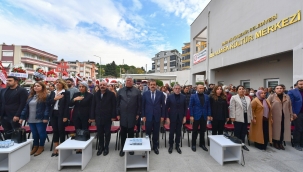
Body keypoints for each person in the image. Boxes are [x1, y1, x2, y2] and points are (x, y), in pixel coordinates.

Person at [19, 81, 50, 156]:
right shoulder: (31, 96)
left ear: (42, 87)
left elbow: (47, 108)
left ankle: (41, 146)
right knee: (34, 134)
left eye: (38, 86)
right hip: (30, 119)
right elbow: (25, 108)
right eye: (35, 86)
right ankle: (35, 146)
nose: (36, 87)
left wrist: (46, 117)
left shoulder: (46, 96)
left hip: (40, 118)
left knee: (41, 133)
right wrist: (22, 117)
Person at [116, 76, 141, 157]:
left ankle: (130, 148)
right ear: (125, 82)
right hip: (123, 115)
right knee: (123, 132)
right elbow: (117, 104)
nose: (128, 82)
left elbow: (139, 104)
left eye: (130, 80)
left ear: (132, 82)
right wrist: (118, 114)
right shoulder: (120, 91)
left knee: (131, 132)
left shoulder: (137, 91)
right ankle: (122, 148)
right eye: (127, 80)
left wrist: (137, 114)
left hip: (132, 114)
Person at [90, 81, 116, 156]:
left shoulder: (111, 94)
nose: (102, 86)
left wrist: (113, 116)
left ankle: (106, 147)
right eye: (100, 85)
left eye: (104, 85)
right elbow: (93, 106)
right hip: (98, 116)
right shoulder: (95, 94)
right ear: (98, 86)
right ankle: (101, 147)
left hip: (107, 117)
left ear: (106, 86)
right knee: (100, 133)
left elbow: (114, 106)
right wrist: (92, 117)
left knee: (107, 133)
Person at [141, 79, 165, 154]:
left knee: (156, 132)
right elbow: (143, 106)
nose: (152, 86)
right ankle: (148, 147)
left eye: (154, 84)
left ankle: (155, 147)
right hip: (148, 116)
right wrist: (143, 115)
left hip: (157, 116)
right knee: (148, 133)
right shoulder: (145, 94)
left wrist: (162, 116)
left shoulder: (161, 94)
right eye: (151, 85)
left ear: (156, 86)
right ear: (149, 85)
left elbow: (163, 106)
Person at [69, 82, 93, 153]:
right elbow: (70, 104)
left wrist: (91, 117)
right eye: (80, 87)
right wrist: (75, 99)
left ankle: (85, 146)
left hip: (86, 116)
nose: (81, 88)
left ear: (86, 87)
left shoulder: (90, 95)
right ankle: (79, 146)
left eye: (83, 87)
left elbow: (92, 107)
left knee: (85, 130)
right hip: (76, 115)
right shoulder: (76, 94)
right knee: (78, 130)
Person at [267, 84, 292, 150]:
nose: (279, 89)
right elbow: (267, 106)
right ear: (275, 90)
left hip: (285, 115)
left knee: (283, 129)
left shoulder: (287, 96)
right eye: (277, 88)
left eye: (280, 88)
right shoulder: (271, 96)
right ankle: (275, 142)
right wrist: (269, 116)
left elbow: (290, 107)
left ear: (283, 89)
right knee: (276, 129)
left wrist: (291, 115)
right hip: (275, 116)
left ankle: (280, 142)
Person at [49, 79, 70, 157]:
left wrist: (65, 116)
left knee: (61, 130)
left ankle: (62, 147)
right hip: (53, 113)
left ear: (63, 84)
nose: (57, 84)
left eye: (59, 83)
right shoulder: (52, 92)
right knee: (55, 130)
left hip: (61, 114)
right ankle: (56, 148)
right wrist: (55, 99)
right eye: (56, 82)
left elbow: (67, 105)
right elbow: (48, 102)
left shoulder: (66, 92)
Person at [229, 85, 252, 151]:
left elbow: (250, 108)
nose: (242, 90)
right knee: (237, 130)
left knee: (244, 131)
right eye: (240, 89)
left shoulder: (248, 98)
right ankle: (237, 144)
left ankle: (243, 143)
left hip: (246, 115)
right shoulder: (234, 97)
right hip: (238, 116)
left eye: (243, 89)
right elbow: (232, 108)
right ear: (237, 91)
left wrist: (251, 116)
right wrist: (232, 116)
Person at [189, 84, 211, 152]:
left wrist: (209, 115)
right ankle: (193, 144)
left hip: (204, 115)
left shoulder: (207, 96)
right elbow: (190, 106)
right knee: (195, 130)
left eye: (202, 88)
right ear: (197, 89)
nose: (201, 89)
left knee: (203, 130)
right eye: (199, 88)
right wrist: (191, 115)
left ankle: (202, 144)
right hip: (196, 115)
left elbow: (208, 106)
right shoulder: (193, 96)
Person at [166, 84, 187, 154]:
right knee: (171, 132)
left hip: (180, 117)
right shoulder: (170, 97)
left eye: (178, 88)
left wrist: (184, 117)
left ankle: (177, 146)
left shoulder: (183, 97)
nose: (177, 90)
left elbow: (185, 108)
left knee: (178, 132)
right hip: (172, 117)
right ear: (173, 89)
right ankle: (171, 145)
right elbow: (166, 108)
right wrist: (167, 118)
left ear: (180, 89)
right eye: (176, 88)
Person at [288, 80, 303, 151]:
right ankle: (296, 143)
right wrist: (293, 113)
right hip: (298, 113)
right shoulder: (292, 92)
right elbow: (291, 103)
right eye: (300, 84)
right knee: (298, 129)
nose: (302, 85)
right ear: (297, 85)